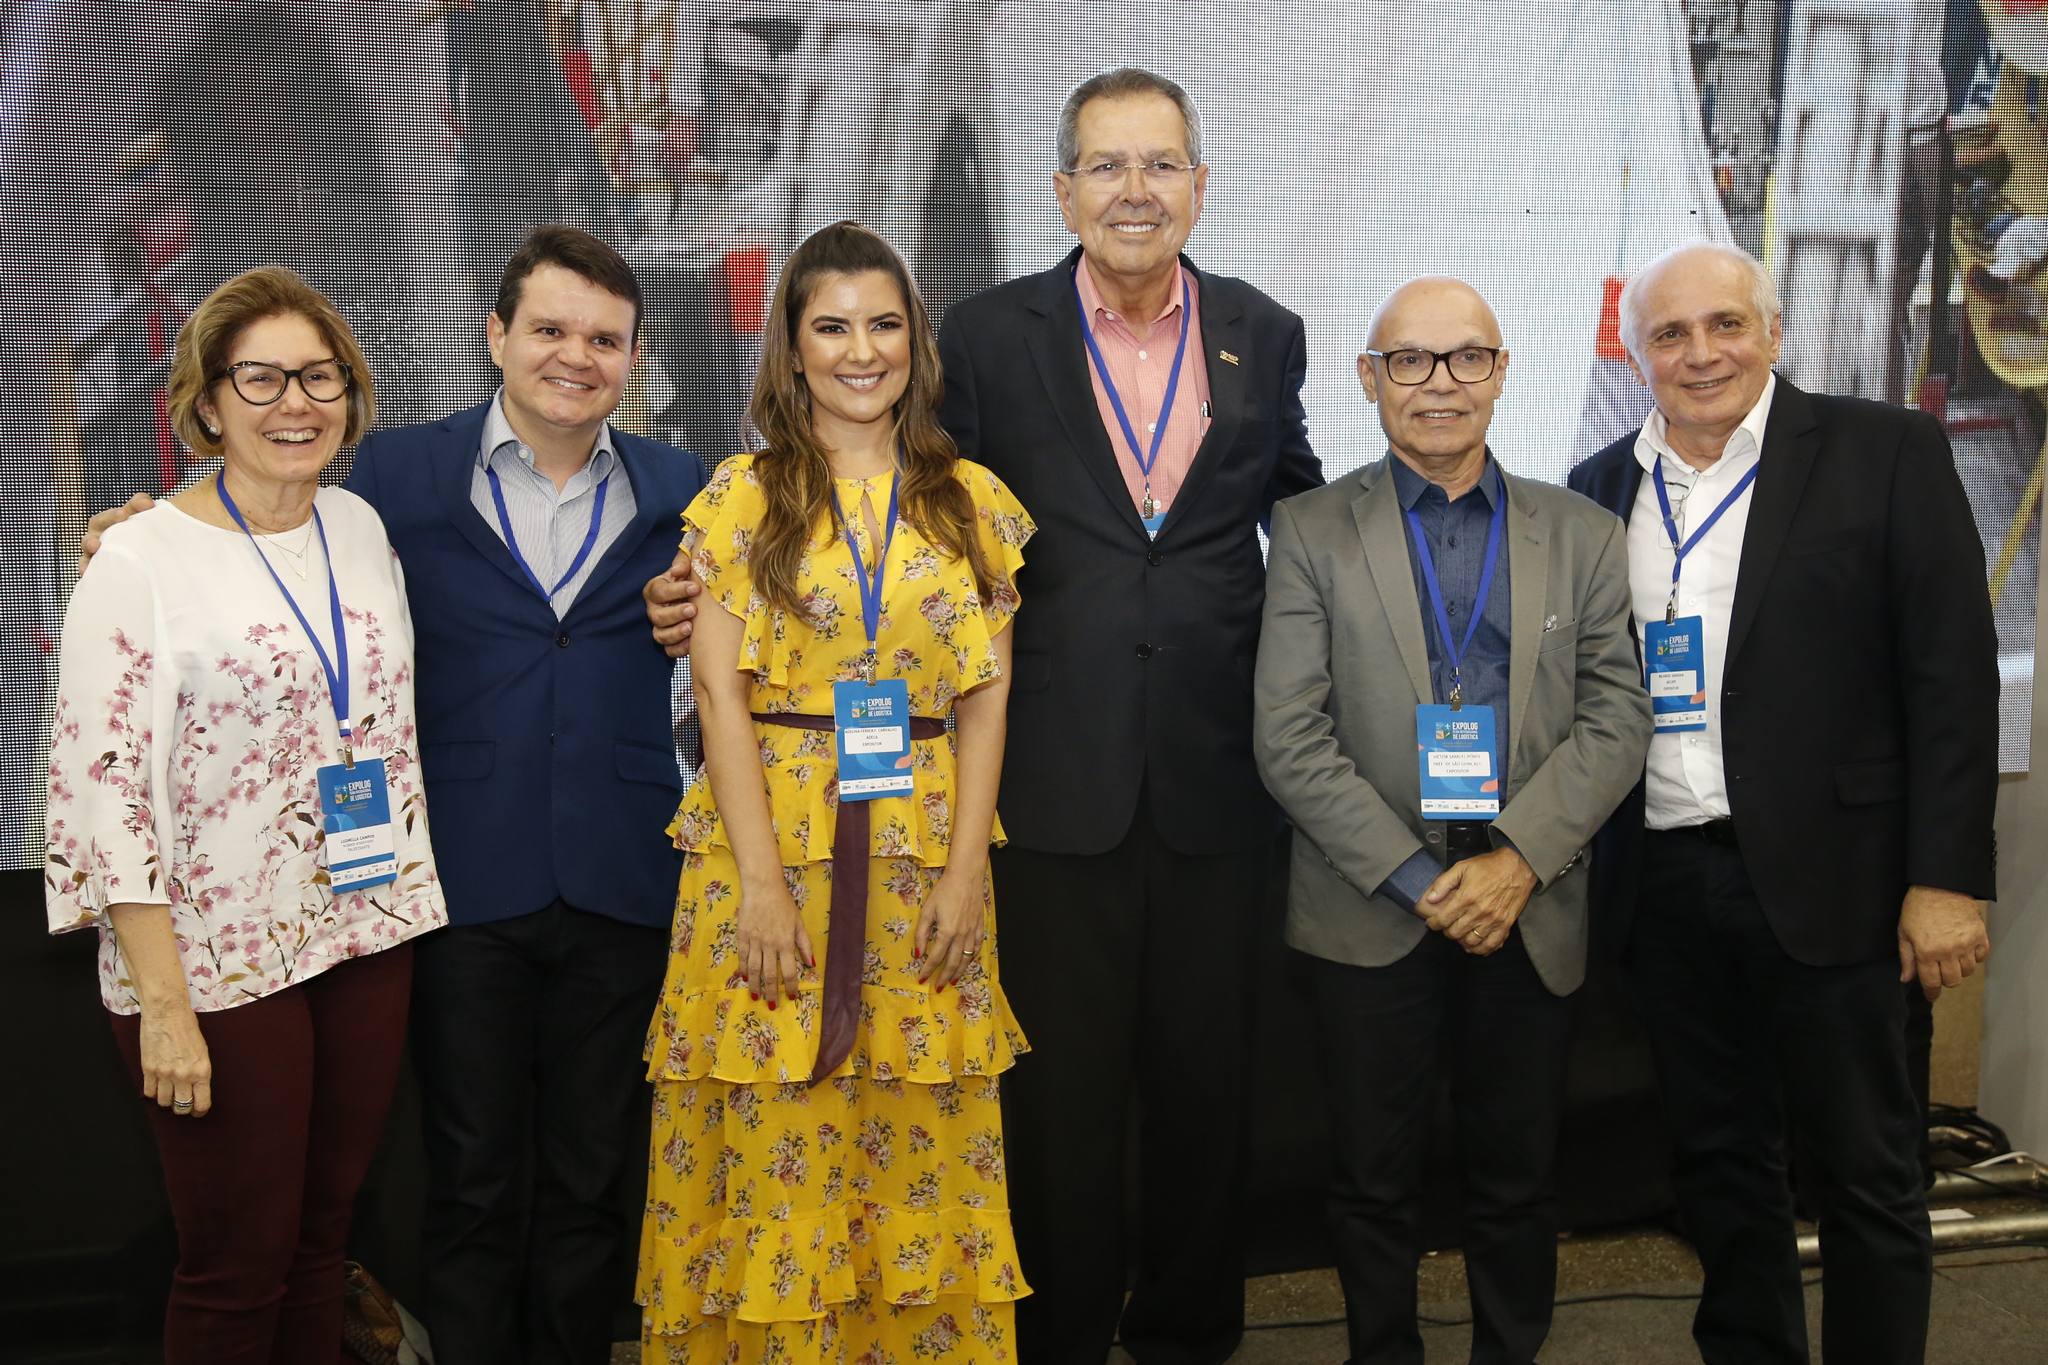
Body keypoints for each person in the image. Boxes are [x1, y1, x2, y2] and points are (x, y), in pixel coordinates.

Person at [82, 226, 709, 1365]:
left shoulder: (687, 488)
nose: (575, 357)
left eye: (604, 339)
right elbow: (257, 516)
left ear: (633, 355)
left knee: (590, 1180)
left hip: (619, 874)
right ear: (495, 335)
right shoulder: (394, 479)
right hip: (454, 883)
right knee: (465, 1180)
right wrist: (143, 526)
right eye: (550, 329)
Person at [1567, 240, 1998, 1365]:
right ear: (1636, 354)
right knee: (1716, 1163)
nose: (1700, 353)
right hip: (1667, 883)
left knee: (1866, 1168)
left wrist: (1945, 879)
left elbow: (1951, 677)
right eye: (1669, 333)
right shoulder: (1598, 487)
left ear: (1771, 331)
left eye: (1725, 324)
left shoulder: (1883, 450)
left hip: (1843, 885)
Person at [636, 219, 1032, 1360]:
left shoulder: (972, 501)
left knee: (916, 1128)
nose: (862, 351)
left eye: (884, 324)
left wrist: (966, 872)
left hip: (923, 856)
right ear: (792, 347)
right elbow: (718, 697)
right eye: (833, 327)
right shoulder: (742, 495)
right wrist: (761, 887)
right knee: (774, 1126)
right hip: (767, 852)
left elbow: (988, 699)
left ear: (915, 341)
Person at [46, 265, 446, 1364]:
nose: (294, 403)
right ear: (209, 402)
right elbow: (105, 793)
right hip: (214, 963)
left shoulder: (358, 527)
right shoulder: (137, 559)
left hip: (362, 931)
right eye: (261, 379)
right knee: (235, 1268)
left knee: (320, 1249)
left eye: (319, 376)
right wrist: (164, 1008)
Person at [1255, 277, 1651, 1365]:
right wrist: (1416, 879)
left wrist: (1517, 860)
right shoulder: (1309, 530)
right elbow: (1287, 735)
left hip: (1529, 902)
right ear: (1368, 378)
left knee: (1517, 1181)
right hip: (1369, 907)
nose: (1439, 383)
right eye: (1410, 360)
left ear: (1501, 371)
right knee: (1370, 1182)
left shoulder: (1582, 532)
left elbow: (1618, 714)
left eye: (1466, 357)